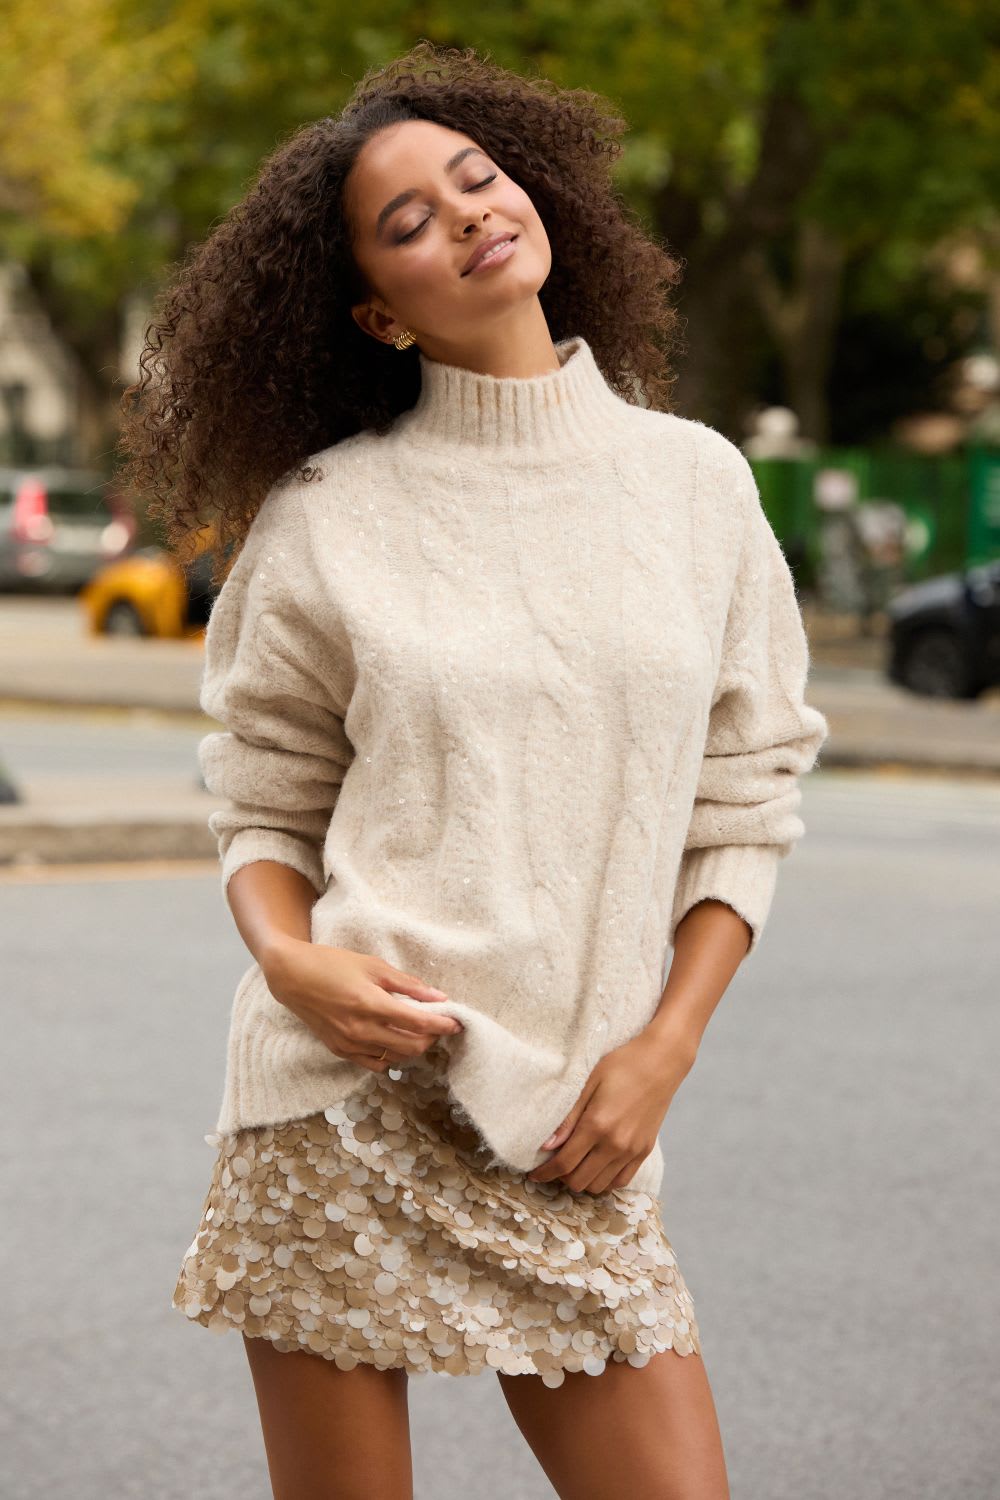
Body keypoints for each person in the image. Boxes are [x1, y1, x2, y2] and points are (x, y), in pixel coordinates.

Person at [120, 41, 829, 1500]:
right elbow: (259, 793)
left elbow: (746, 798)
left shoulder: (698, 487)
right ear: (379, 310)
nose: (466, 214)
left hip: (580, 1120)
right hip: (345, 1105)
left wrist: (668, 1045)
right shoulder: (327, 517)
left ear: (535, 191)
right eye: (409, 222)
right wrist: (291, 958)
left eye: (476, 177)